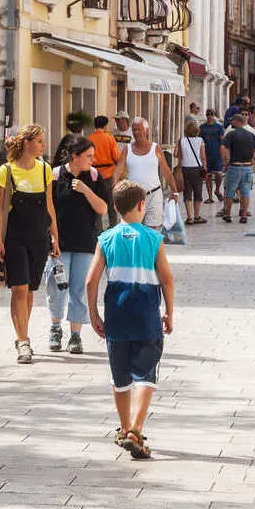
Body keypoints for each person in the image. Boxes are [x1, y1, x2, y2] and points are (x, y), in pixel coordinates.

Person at [85, 180, 174, 460]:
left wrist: (93, 314)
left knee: (120, 376)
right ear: (141, 205)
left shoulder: (106, 239)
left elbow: (90, 280)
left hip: (117, 316)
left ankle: (125, 429)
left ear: (115, 207)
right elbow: (167, 279)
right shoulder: (154, 239)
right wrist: (170, 311)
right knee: (146, 375)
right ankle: (136, 429)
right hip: (147, 315)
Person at [0, 124, 59, 365]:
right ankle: (23, 340)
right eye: (39, 141)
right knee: (18, 288)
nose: (43, 145)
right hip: (15, 237)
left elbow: (50, 205)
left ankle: (23, 332)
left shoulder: (45, 170)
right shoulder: (6, 171)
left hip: (39, 237)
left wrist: (55, 236)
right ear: (27, 144)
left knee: (29, 291)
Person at [47, 136, 109, 354]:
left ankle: (75, 335)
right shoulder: (54, 176)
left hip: (85, 242)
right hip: (60, 243)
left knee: (79, 290)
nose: (93, 159)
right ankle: (55, 328)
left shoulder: (93, 177)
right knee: (56, 287)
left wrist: (86, 190)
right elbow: (49, 210)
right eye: (89, 156)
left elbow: (102, 208)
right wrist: (52, 238)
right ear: (75, 156)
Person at [115, 117, 178, 229]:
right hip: (133, 197)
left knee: (151, 232)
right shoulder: (127, 149)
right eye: (134, 130)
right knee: (134, 230)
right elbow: (117, 172)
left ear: (146, 130)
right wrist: (115, 192)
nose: (136, 132)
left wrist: (175, 191)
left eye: (139, 129)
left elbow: (166, 171)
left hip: (154, 195)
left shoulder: (156, 149)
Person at [220, 115, 255, 225]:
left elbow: (223, 147)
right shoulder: (250, 135)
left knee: (230, 191)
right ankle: (244, 215)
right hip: (247, 167)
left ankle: (228, 214)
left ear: (237, 121)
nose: (231, 123)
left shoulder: (231, 134)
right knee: (246, 192)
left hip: (234, 166)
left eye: (232, 121)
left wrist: (225, 160)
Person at [89, 115, 120, 225]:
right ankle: (113, 227)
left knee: (96, 203)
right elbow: (116, 157)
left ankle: (98, 231)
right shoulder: (109, 138)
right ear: (105, 126)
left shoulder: (89, 139)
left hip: (93, 175)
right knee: (111, 204)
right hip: (108, 174)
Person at [174, 120, 207, 225]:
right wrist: (205, 167)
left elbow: (176, 154)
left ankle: (189, 217)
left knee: (187, 192)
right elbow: (203, 157)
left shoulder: (181, 140)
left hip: (185, 169)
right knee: (198, 192)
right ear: (197, 130)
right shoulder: (200, 140)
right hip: (197, 169)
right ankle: (197, 216)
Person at [199, 109, 225, 204]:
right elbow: (199, 141)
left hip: (217, 154)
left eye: (211, 114)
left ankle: (217, 190)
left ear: (214, 115)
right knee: (208, 175)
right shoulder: (202, 127)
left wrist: (223, 154)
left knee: (218, 174)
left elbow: (222, 140)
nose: (209, 116)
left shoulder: (219, 127)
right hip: (206, 154)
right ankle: (210, 197)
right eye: (208, 114)